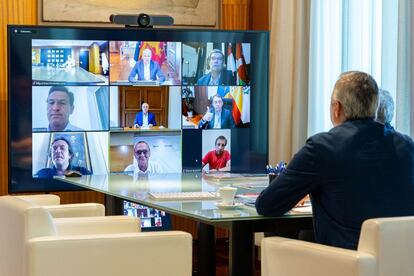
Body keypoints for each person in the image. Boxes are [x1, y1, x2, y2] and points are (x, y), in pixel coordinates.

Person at [255, 71, 414, 250]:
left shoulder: (322, 147)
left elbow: (267, 205)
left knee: (278, 236)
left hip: (345, 261)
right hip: (402, 260)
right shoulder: (406, 145)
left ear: (337, 108)